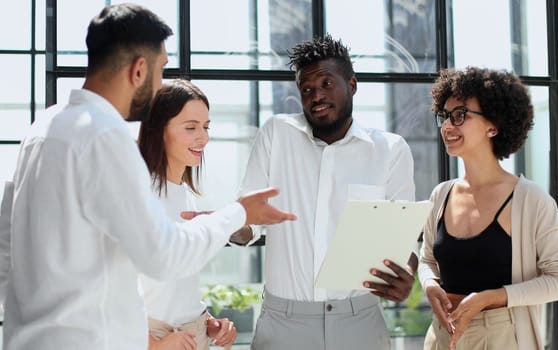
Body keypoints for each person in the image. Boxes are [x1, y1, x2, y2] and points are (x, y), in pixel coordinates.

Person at [0, 4, 295, 350]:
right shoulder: (104, 135)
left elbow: (7, 249)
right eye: (161, 71)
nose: (159, 87)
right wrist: (239, 213)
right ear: (139, 70)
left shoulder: (42, 128)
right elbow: (163, 254)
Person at [239, 34, 417, 350]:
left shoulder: (390, 150)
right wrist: (226, 224)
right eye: (306, 89)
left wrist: (406, 275)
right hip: (284, 323)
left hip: (359, 321)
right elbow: (249, 222)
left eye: (326, 83)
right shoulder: (276, 135)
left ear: (352, 84)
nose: (316, 95)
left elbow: (400, 241)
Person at [418, 66, 558, 350]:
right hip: (442, 336)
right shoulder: (441, 195)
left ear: (493, 125)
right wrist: (429, 284)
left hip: (500, 337)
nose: (447, 126)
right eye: (445, 116)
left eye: (460, 115)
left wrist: (490, 297)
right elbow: (427, 260)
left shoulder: (530, 200)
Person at [138, 79, 248, 350]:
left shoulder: (185, 194)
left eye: (206, 127)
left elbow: (175, 286)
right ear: (158, 130)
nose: (204, 137)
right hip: (155, 340)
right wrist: (153, 344)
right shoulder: (138, 195)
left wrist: (208, 322)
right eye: (191, 128)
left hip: (192, 337)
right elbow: (111, 288)